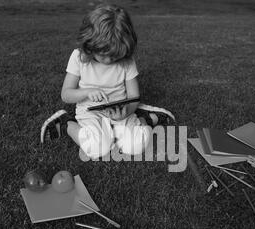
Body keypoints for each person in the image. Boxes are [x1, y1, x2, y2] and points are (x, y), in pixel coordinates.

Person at [43, 4, 174, 159]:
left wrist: (127, 112)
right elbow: (66, 94)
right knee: (97, 149)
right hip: (90, 112)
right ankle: (66, 124)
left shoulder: (126, 61)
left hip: (120, 111)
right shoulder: (78, 58)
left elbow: (134, 96)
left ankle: (143, 118)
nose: (109, 60)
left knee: (136, 146)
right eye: (104, 55)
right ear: (90, 44)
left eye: (115, 55)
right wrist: (87, 92)